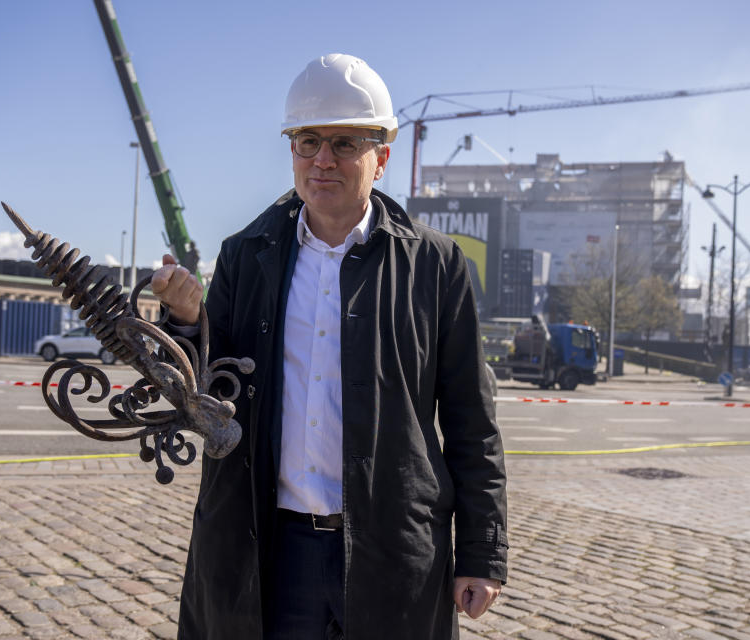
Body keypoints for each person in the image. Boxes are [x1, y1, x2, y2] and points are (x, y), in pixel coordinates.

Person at [152, 53, 508, 640]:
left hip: (392, 551)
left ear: (382, 157)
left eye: (344, 143)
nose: (322, 160)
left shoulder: (436, 265)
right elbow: (208, 393)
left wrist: (481, 552)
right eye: (307, 141)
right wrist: (189, 318)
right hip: (269, 546)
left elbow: (472, 420)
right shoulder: (246, 255)